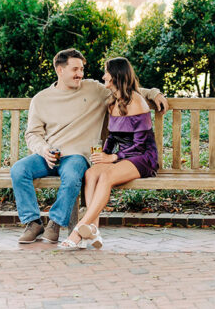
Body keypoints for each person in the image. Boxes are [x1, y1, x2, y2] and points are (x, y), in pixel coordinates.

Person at [10, 49, 167, 244]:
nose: (80, 74)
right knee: (18, 170)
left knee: (73, 174)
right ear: (59, 70)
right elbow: (33, 134)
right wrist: (43, 150)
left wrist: (154, 93)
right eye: (75, 69)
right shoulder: (41, 99)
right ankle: (33, 223)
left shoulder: (93, 89)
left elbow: (125, 88)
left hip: (77, 156)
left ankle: (55, 224)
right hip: (49, 155)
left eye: (82, 69)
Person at [59, 57, 160, 250]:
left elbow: (140, 145)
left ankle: (79, 229)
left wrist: (112, 158)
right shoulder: (113, 101)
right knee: (91, 173)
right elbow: (113, 137)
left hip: (143, 157)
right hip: (124, 156)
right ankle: (94, 228)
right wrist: (102, 156)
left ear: (117, 76)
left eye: (107, 72)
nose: (103, 76)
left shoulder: (137, 102)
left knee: (106, 175)